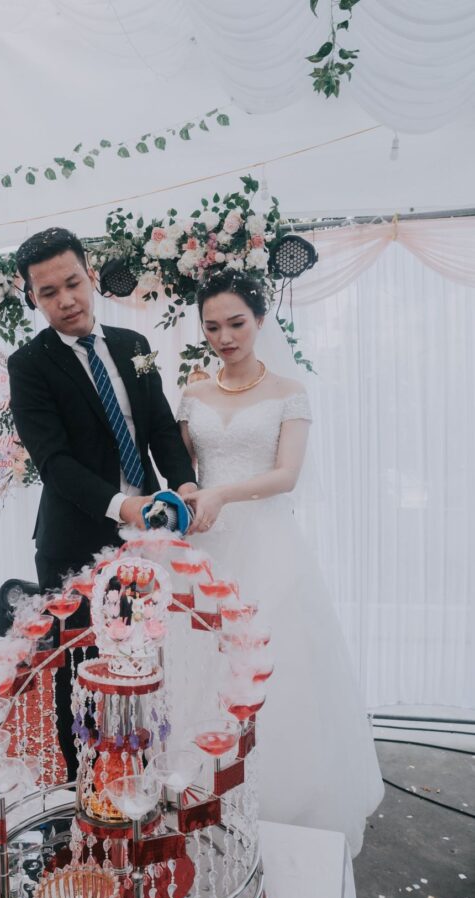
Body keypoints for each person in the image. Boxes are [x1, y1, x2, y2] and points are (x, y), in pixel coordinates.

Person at [175, 268, 383, 856]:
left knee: (278, 671)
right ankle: (199, 791)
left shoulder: (289, 391)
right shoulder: (192, 394)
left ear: (261, 321)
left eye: (236, 323)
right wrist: (192, 493)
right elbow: (183, 471)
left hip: (267, 544)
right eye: (212, 326)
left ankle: (285, 800)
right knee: (200, 666)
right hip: (206, 549)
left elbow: (286, 476)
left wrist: (219, 493)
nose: (225, 337)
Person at [8, 227, 196, 778]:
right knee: (81, 670)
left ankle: (139, 774)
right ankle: (83, 786)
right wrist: (124, 505)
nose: (65, 301)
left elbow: (160, 428)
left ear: (90, 274)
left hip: (147, 538)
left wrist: (182, 486)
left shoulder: (132, 345)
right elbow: (55, 462)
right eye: (48, 292)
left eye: (72, 283)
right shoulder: (29, 365)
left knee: (141, 657)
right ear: (33, 297)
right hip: (76, 537)